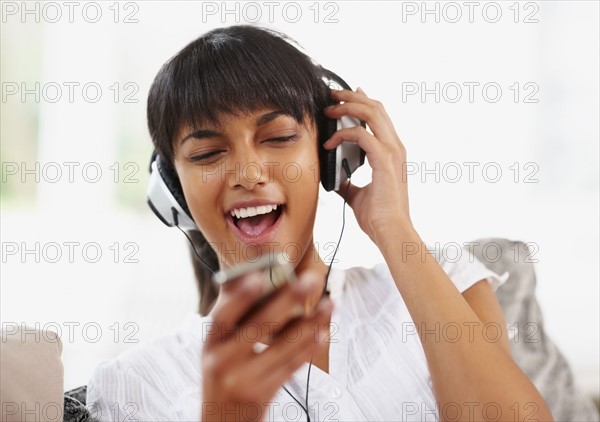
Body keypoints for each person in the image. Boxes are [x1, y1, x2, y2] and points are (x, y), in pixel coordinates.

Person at [87, 25, 553, 421]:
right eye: (208, 153)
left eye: (279, 137)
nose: (248, 174)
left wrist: (393, 228)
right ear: (173, 191)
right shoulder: (132, 384)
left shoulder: (446, 280)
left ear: (333, 154)